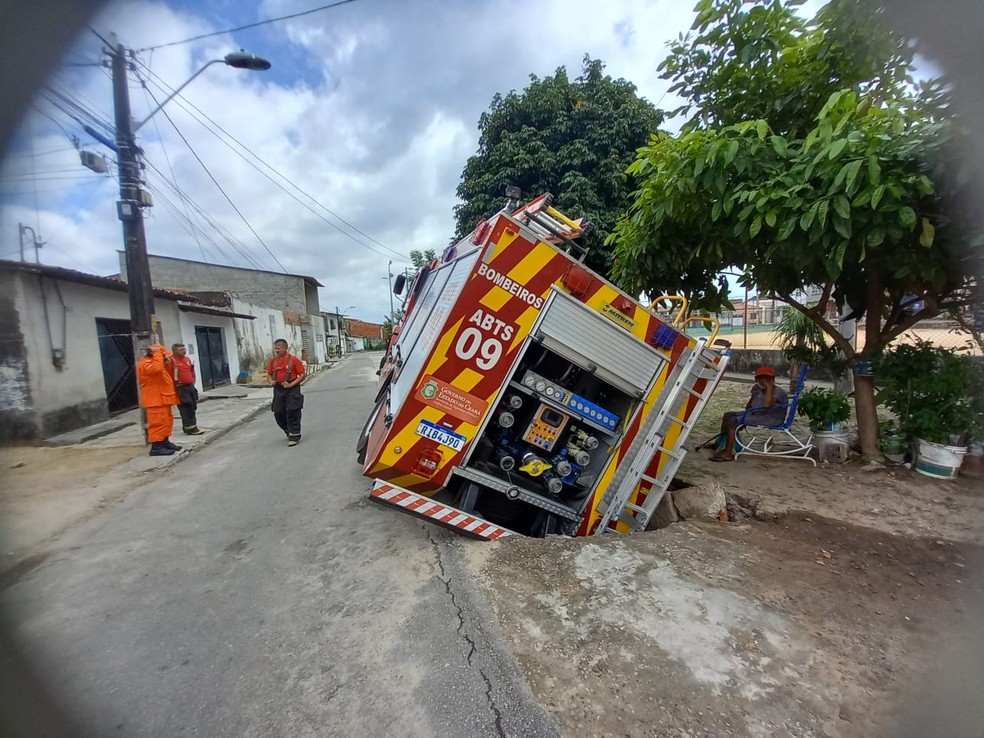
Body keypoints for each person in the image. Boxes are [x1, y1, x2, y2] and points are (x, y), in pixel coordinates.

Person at [710, 366, 789, 462]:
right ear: (756, 379)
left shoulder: (778, 392)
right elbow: (749, 406)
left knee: (733, 421)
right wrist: (746, 414)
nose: (763, 380)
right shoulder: (756, 388)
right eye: (760, 378)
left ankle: (728, 452)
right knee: (728, 415)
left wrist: (769, 388)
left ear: (772, 380)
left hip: (771, 418)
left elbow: (767, 405)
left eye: (767, 378)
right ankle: (720, 443)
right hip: (756, 414)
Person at [136, 343, 182, 457]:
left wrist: (165, 361)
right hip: (155, 400)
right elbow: (156, 370)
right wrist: (157, 353)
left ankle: (164, 442)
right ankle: (156, 448)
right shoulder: (145, 364)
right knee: (157, 423)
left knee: (166, 422)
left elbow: (164, 371)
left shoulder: (156, 363)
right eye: (162, 355)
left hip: (163, 399)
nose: (164, 357)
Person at [267, 339, 306, 446]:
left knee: (292, 410)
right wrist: (271, 381)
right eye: (275, 348)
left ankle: (294, 434)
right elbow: (269, 374)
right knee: (278, 412)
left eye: (278, 348)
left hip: (292, 387)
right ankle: (287, 429)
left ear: (285, 348)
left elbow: (302, 375)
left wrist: (291, 384)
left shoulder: (294, 360)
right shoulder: (273, 361)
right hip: (279, 388)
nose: (276, 350)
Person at [171, 343, 205, 435]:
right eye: (181, 350)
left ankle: (189, 426)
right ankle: (191, 429)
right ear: (174, 351)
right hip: (180, 388)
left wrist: (193, 381)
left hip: (189, 386)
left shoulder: (187, 359)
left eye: (184, 349)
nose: (184, 351)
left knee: (193, 406)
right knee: (186, 407)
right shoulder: (171, 361)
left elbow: (191, 370)